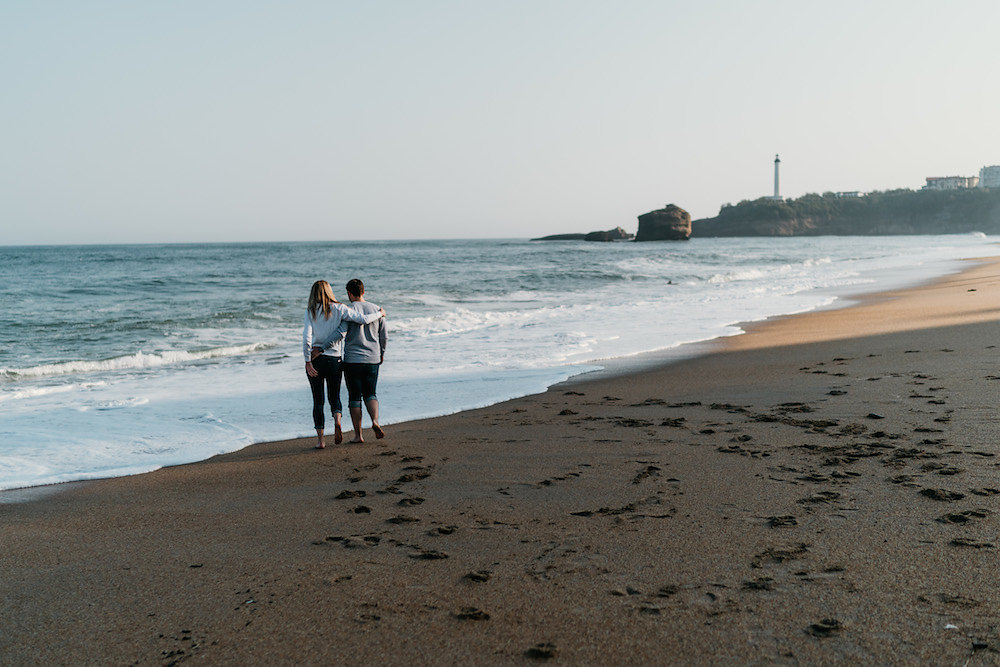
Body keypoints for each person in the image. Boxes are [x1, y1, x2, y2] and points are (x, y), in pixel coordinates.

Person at [302, 280, 384, 449]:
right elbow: (362, 319)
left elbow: (306, 337)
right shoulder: (340, 308)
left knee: (318, 400)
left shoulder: (310, 311)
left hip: (316, 358)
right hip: (335, 359)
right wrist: (380, 313)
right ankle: (337, 421)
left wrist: (308, 360)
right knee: (335, 395)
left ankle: (321, 441)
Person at [342, 278, 387, 443]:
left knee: (354, 397)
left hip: (352, 359)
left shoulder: (347, 310)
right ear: (363, 291)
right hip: (372, 358)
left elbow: (341, 333)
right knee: (371, 393)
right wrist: (381, 353)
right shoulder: (377, 309)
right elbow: (384, 336)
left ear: (349, 293)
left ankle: (358, 435)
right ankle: (375, 421)